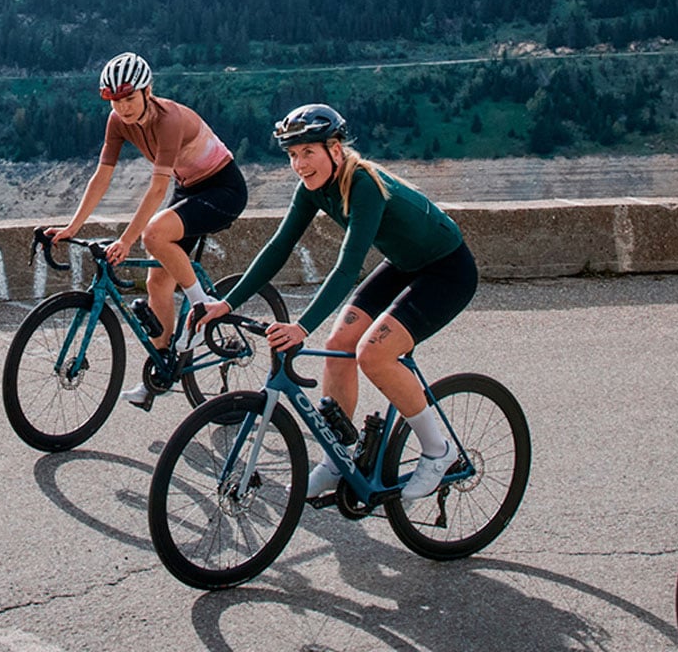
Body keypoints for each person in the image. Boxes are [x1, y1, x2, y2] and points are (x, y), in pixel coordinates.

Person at [198, 103, 478, 502]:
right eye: (293, 155)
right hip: (403, 262)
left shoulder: (363, 184)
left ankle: (439, 452)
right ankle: (338, 459)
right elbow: (279, 247)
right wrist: (227, 303)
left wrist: (300, 327)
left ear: (335, 148)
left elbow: (347, 269)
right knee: (337, 344)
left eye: (307, 152)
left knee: (374, 354)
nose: (299, 164)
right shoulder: (313, 188)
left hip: (447, 270)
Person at [46, 51, 247, 409]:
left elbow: (157, 190)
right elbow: (101, 177)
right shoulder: (117, 121)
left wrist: (126, 240)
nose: (122, 108)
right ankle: (161, 371)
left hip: (223, 188)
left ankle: (202, 304)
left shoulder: (168, 119)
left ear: (147, 90)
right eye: (114, 100)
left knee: (153, 234)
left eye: (128, 98)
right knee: (157, 282)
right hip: (189, 189)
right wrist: (72, 226)